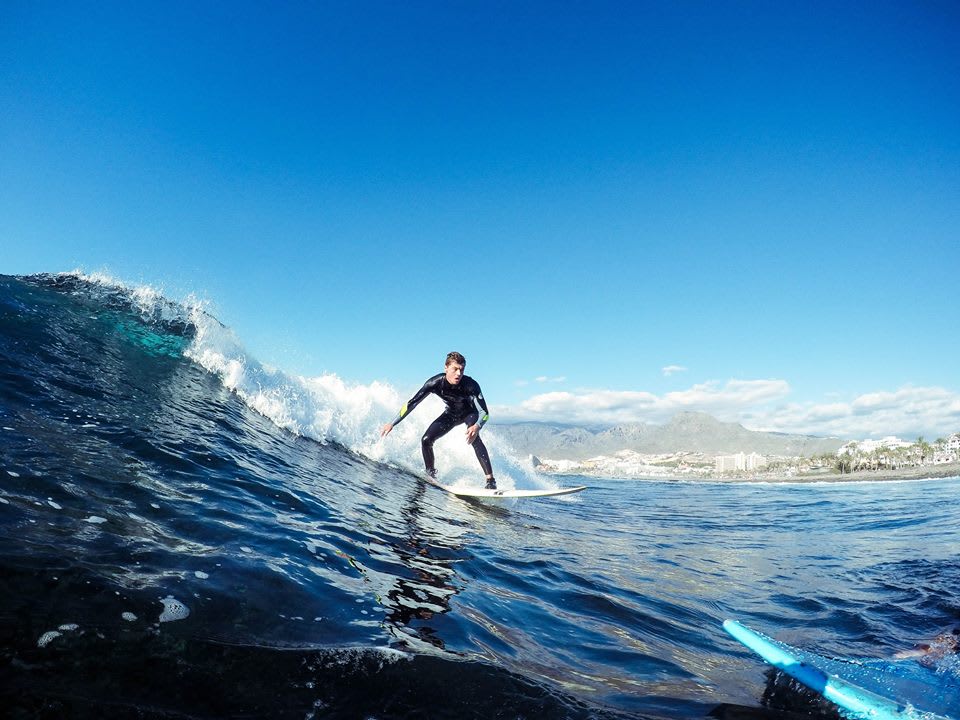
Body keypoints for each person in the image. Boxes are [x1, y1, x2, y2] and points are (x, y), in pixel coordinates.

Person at [380, 351, 496, 489]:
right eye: (455, 369)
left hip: (469, 413)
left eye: (462, 369)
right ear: (446, 368)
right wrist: (392, 423)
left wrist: (477, 426)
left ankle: (490, 481)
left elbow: (485, 413)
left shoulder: (471, 385)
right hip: (451, 415)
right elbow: (412, 403)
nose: (459, 373)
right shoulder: (434, 383)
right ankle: (431, 475)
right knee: (426, 440)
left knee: (473, 434)